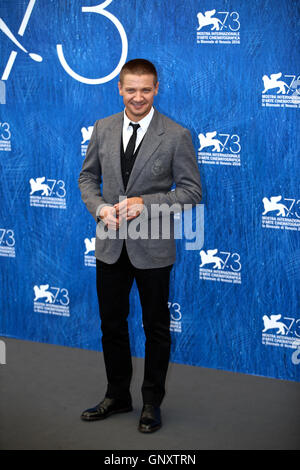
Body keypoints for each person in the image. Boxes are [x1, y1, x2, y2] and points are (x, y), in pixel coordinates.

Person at [78, 59, 202, 433]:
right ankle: (117, 395)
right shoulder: (102, 128)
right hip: (110, 245)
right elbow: (86, 177)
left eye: (145, 89)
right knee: (111, 324)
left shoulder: (177, 135)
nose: (138, 97)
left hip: (153, 249)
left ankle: (151, 402)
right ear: (119, 88)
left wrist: (144, 204)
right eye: (131, 89)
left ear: (157, 88)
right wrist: (99, 209)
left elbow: (191, 192)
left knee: (156, 329)